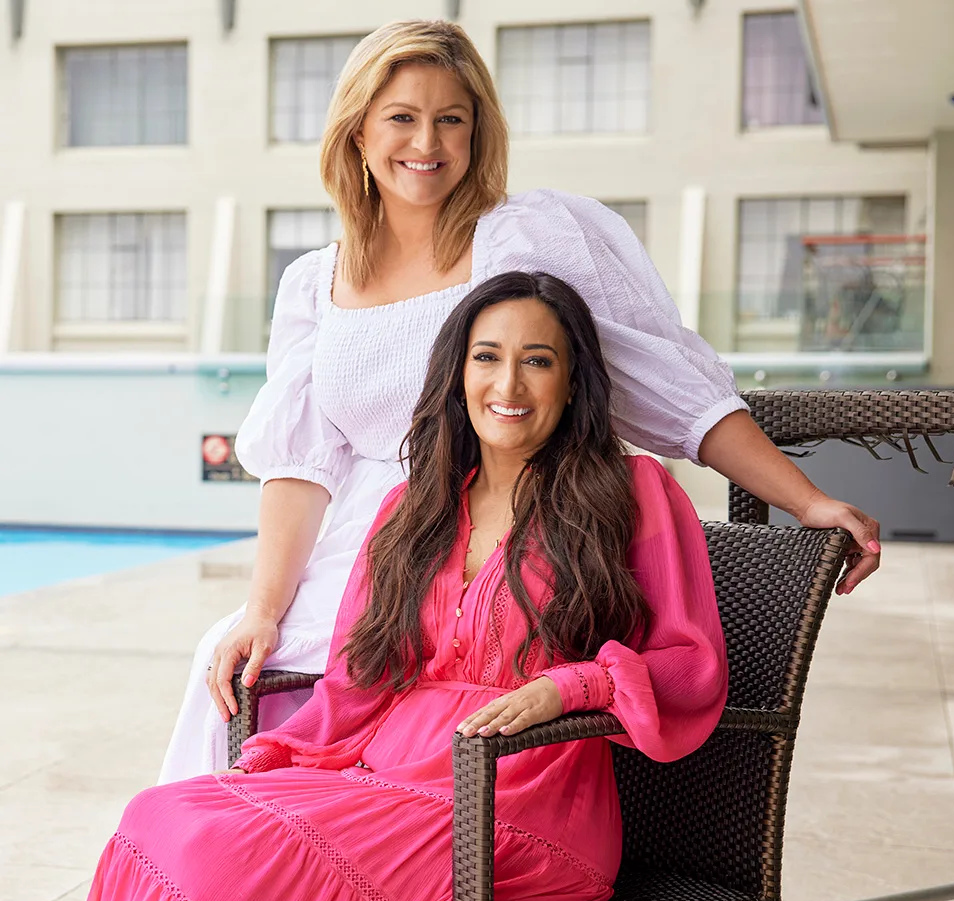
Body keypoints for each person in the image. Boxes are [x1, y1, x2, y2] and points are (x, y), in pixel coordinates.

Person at [159, 18, 880, 783]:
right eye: (401, 117)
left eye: (451, 119)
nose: (426, 142)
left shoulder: (524, 240)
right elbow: (302, 468)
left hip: (493, 543)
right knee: (231, 667)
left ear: (477, 132)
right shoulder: (314, 282)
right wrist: (263, 609)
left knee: (395, 705)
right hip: (372, 555)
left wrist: (806, 500)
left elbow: (671, 391)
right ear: (358, 131)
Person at [87, 273, 728, 901]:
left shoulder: (633, 492)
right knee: (158, 815)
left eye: (537, 361)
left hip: (523, 797)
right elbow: (359, 680)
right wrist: (278, 752)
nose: (508, 385)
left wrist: (568, 687)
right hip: (381, 775)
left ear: (573, 383)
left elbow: (690, 664)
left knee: (228, 863)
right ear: (458, 375)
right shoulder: (411, 509)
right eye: (487, 358)